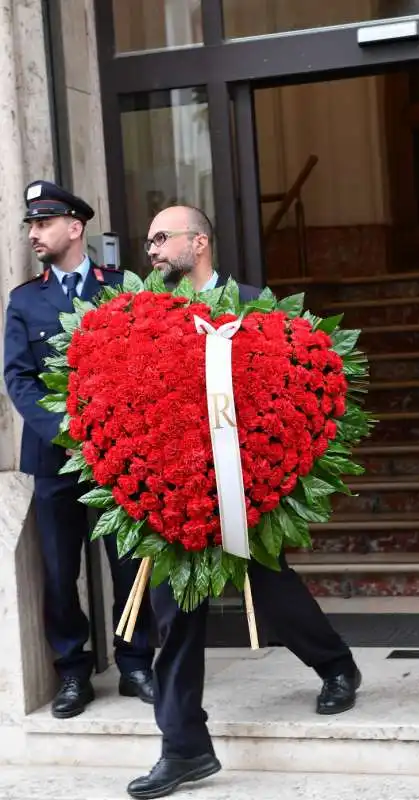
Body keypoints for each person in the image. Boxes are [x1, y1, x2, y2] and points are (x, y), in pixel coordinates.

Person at [126, 205, 361, 800]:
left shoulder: (257, 307)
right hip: (175, 497)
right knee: (173, 618)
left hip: (241, 491)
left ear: (198, 241)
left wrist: (265, 473)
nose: (151, 249)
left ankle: (336, 666)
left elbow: (289, 390)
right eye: (148, 240)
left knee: (276, 597)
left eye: (161, 238)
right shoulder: (143, 317)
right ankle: (185, 750)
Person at [3, 181, 155, 718]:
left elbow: (145, 365)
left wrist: (118, 430)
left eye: (43, 224)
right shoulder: (25, 299)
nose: (34, 235)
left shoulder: (121, 289)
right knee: (60, 570)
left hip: (119, 452)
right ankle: (73, 672)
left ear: (75, 227)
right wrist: (66, 431)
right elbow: (18, 378)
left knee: (126, 561)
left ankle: (136, 662)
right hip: (54, 456)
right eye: (30, 226)